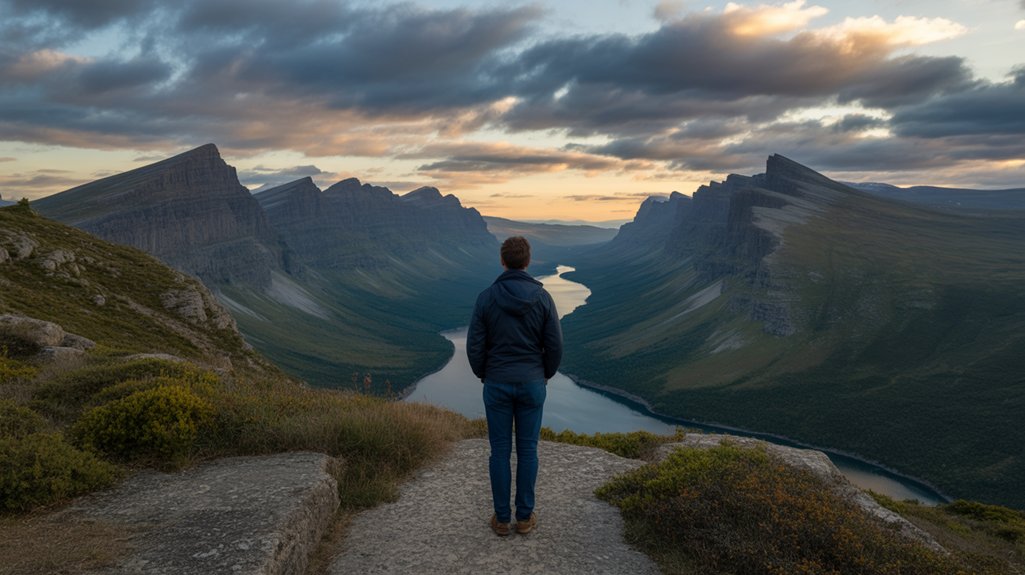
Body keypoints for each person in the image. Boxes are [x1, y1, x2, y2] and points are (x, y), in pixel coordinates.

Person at [467, 236, 562, 537]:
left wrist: (486, 373)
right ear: (528, 261)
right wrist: (543, 374)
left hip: (497, 383)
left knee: (499, 451)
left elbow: (474, 346)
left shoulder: (486, 297)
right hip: (532, 383)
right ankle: (524, 518)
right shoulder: (543, 298)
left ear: (503, 260)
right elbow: (555, 345)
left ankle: (501, 519)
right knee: (528, 450)